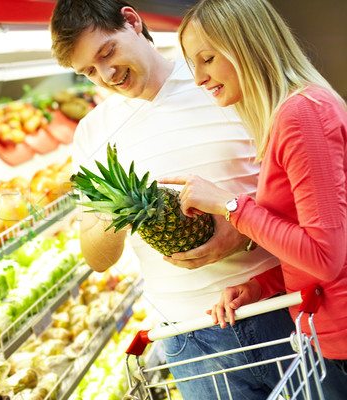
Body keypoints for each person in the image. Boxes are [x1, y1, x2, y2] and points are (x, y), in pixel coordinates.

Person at [50, 1, 303, 399]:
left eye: (107, 52)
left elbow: (299, 186)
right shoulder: (92, 133)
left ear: (132, 21)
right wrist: (116, 210)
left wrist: (244, 233)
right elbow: (98, 260)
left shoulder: (219, 78)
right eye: (89, 71)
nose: (106, 74)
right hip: (189, 338)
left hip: (279, 303)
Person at [160, 0, 347, 382]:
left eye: (207, 58)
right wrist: (261, 286)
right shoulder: (292, 114)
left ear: (246, 45)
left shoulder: (303, 115)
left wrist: (229, 206)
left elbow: (326, 257)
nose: (198, 77)